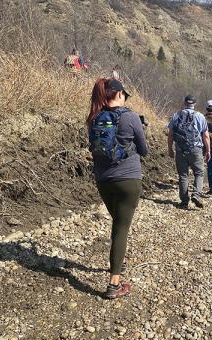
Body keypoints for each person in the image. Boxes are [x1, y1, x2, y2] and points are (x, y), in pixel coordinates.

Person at [87, 78, 148, 299]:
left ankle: (118, 263)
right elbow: (144, 149)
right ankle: (114, 284)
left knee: (118, 223)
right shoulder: (130, 117)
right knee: (120, 229)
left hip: (103, 180)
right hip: (128, 179)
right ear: (120, 94)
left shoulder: (94, 118)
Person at [167, 95, 210, 209]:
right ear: (194, 104)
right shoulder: (200, 116)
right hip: (196, 149)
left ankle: (184, 202)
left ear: (184, 103)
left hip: (180, 149)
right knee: (199, 173)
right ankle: (196, 194)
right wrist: (208, 150)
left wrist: (170, 149)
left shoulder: (176, 115)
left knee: (183, 175)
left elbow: (170, 134)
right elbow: (205, 136)